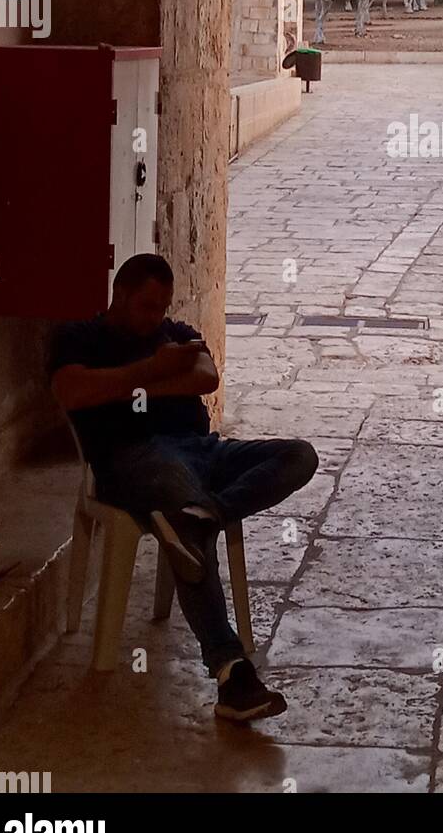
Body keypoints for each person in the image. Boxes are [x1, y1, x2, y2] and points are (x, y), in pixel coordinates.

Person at [49, 253, 319, 722]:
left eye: (161, 307)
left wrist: (123, 384)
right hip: (136, 459)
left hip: (204, 452)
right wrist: (154, 371)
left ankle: (208, 512)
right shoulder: (80, 338)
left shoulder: (175, 333)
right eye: (146, 307)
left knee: (298, 455)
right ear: (120, 296)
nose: (156, 317)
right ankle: (232, 673)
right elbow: (73, 391)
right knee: (180, 503)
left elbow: (205, 376)